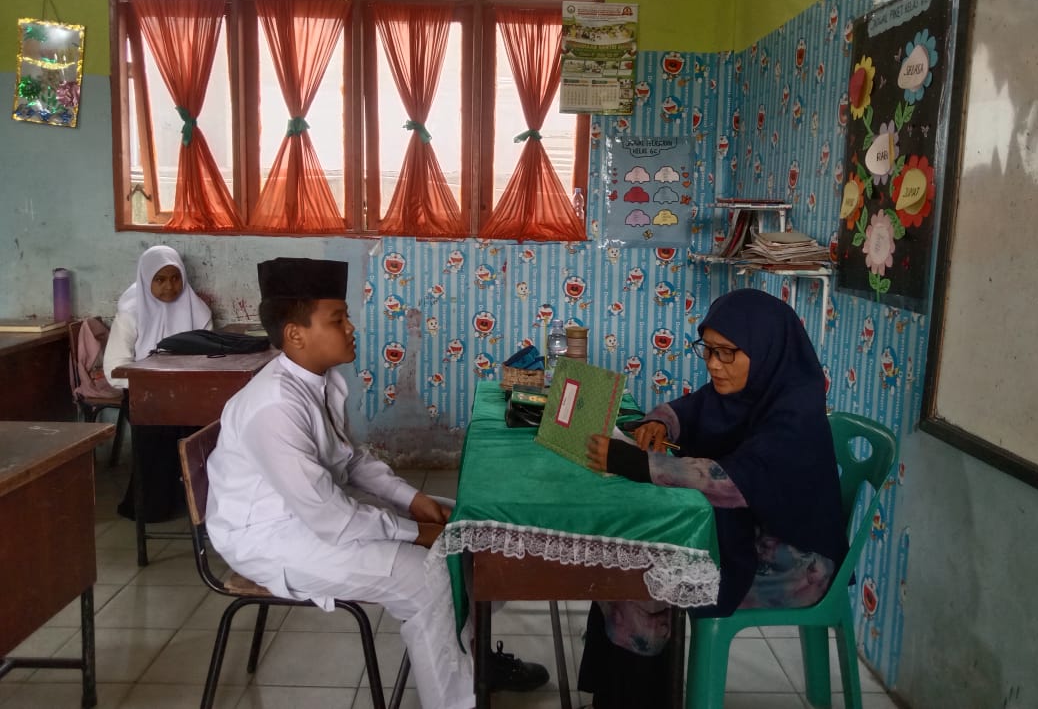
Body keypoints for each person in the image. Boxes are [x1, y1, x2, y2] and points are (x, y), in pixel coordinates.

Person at [204, 257, 547, 709]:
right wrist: (417, 533)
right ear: (295, 334)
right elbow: (329, 518)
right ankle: (458, 699)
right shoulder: (274, 407)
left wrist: (415, 500)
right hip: (272, 538)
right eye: (337, 320)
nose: (351, 328)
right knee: (427, 577)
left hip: (314, 513)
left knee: (472, 527)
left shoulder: (321, 381)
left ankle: (474, 656)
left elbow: (350, 460)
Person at [578, 289, 848, 708]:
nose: (713, 364)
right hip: (754, 529)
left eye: (727, 353)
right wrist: (660, 423)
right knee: (631, 554)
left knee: (643, 576)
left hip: (796, 561)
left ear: (766, 350)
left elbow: (733, 483)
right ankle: (613, 696)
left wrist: (634, 462)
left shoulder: (795, 414)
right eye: (707, 349)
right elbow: (689, 408)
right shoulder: (747, 389)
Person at [104, 244, 213, 522]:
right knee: (157, 433)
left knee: (205, 428)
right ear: (146, 280)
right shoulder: (130, 314)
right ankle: (152, 506)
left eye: (175, 278)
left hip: (189, 391)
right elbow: (115, 369)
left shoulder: (198, 311)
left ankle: (196, 502)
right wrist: (153, 385)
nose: (169, 287)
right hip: (144, 394)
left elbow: (208, 358)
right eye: (160, 279)